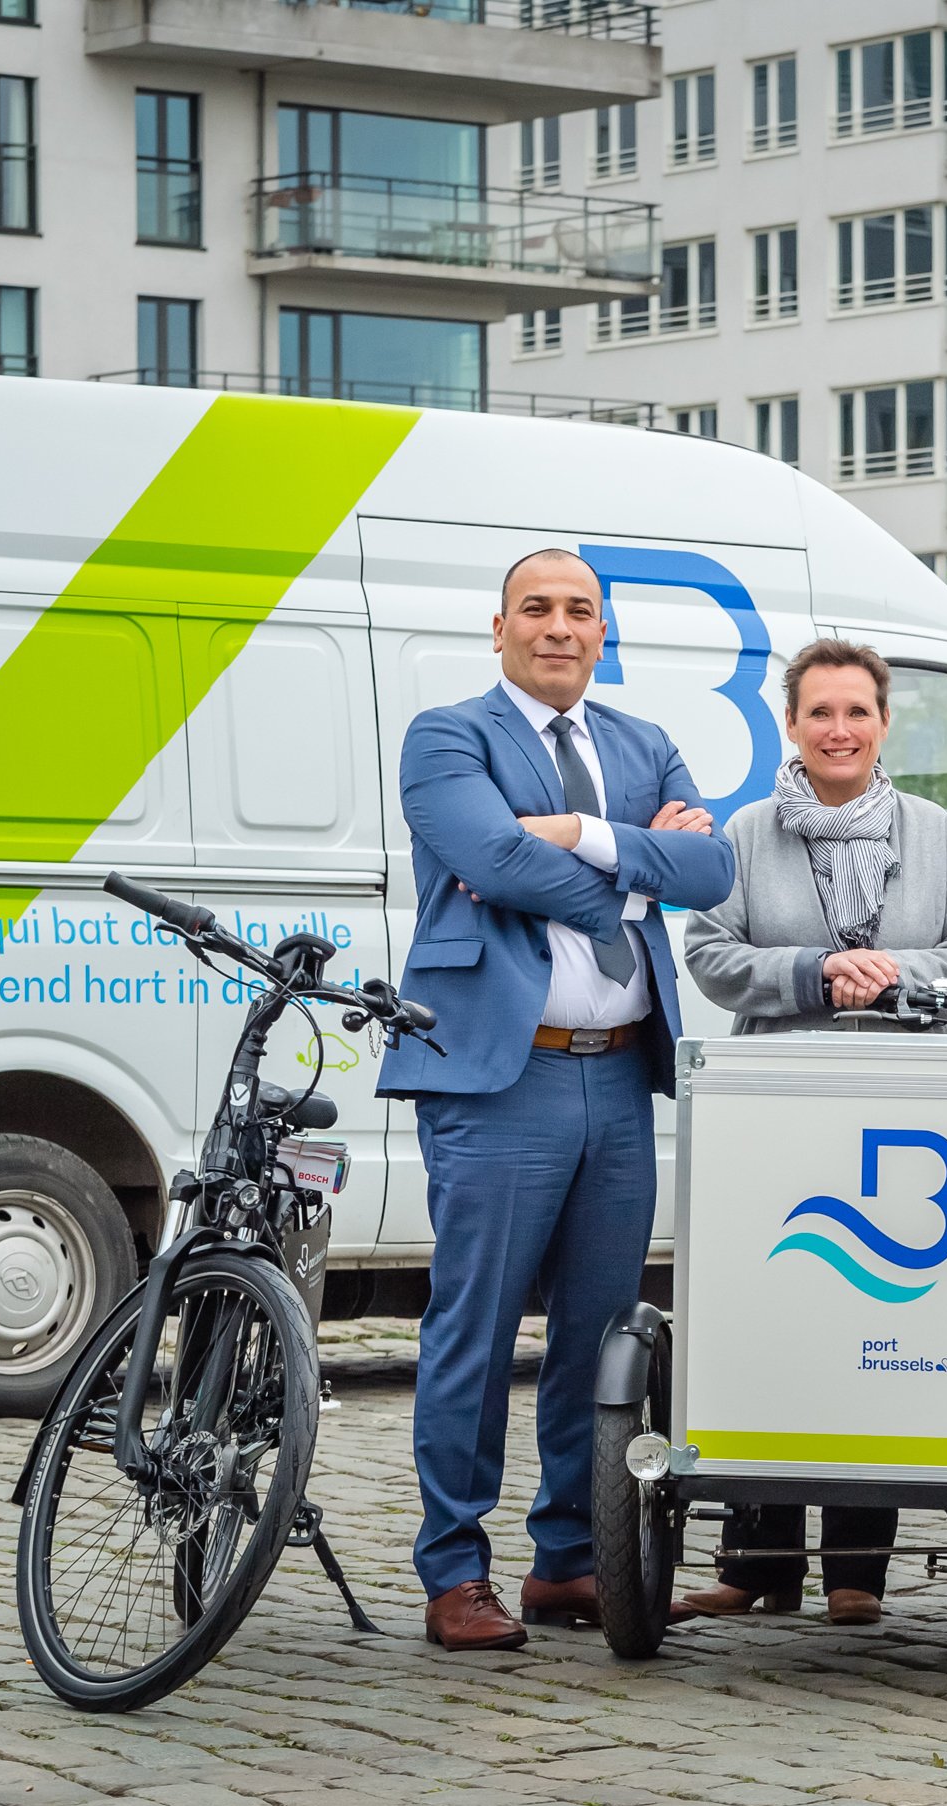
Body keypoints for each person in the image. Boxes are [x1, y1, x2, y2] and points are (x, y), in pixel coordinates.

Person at [381, 547, 736, 1653]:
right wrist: (638, 871)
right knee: (475, 1331)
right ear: (499, 628)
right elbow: (490, 858)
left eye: (581, 611)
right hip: (502, 1074)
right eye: (536, 608)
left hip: (619, 1071)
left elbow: (715, 872)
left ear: (602, 631)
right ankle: (454, 1572)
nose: (558, 627)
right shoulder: (449, 737)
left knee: (598, 1337)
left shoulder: (642, 745)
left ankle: (571, 1561)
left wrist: (580, 839)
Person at [677, 635, 947, 1626]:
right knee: (775, 1308)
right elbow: (709, 950)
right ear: (792, 724)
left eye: (856, 711)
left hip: (899, 1101)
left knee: (876, 1316)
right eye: (820, 712)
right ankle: (756, 1563)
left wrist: (893, 974)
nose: (839, 729)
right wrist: (814, 972)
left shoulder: (934, 832)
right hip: (775, 1101)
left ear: (883, 722)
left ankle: (857, 1569)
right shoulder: (743, 837)